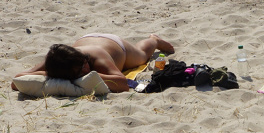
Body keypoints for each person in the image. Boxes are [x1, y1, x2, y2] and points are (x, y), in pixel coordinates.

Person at [12, 33, 175, 93]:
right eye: (80, 70)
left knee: (141, 55)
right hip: (86, 40)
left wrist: (93, 74)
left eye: (84, 64)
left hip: (115, 46)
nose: (86, 69)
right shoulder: (57, 61)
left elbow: (122, 83)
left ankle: (154, 40)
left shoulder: (95, 58)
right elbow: (17, 80)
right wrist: (49, 73)